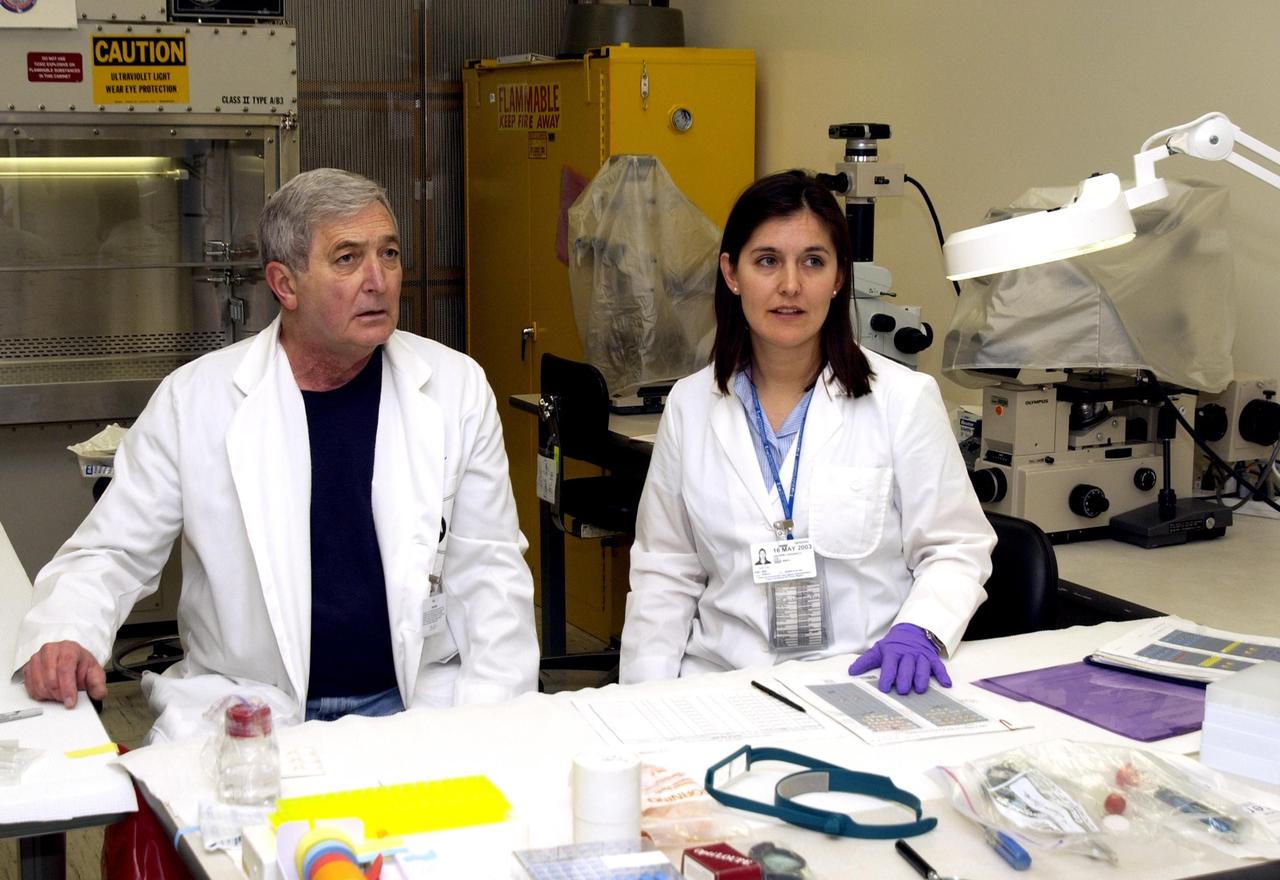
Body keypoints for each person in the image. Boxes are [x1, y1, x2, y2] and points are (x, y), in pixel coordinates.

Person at [13, 168, 539, 742]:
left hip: (415, 706)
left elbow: (492, 575)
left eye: (388, 254)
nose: (378, 280)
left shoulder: (455, 388)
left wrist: (499, 726)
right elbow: (111, 551)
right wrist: (66, 633)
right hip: (247, 706)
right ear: (284, 285)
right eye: (346, 258)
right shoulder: (197, 400)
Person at [619, 170, 995, 695]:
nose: (790, 286)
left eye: (813, 262)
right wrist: (643, 698)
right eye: (767, 260)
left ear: (840, 277)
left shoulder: (902, 400)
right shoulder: (690, 405)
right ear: (732, 273)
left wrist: (920, 630)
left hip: (863, 680)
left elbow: (956, 547)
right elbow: (665, 572)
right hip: (723, 683)